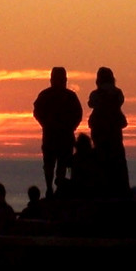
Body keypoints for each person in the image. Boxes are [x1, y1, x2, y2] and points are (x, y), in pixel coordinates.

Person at [32, 67, 83, 197]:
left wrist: (70, 127)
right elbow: (37, 111)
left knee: (59, 165)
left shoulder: (69, 96)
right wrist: (46, 124)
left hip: (60, 138)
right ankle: (51, 189)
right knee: (52, 165)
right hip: (53, 137)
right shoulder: (48, 95)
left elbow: (78, 114)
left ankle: (56, 189)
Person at [87, 67, 130, 196]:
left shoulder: (96, 94)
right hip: (114, 128)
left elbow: (91, 104)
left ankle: (102, 186)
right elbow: (120, 102)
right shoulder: (117, 92)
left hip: (99, 128)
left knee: (101, 156)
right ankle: (121, 187)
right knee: (117, 157)